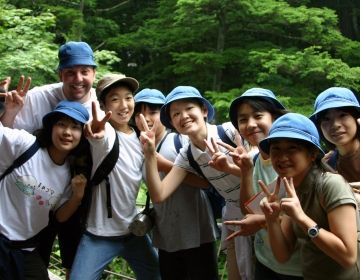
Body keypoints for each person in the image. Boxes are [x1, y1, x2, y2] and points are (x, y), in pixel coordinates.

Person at [0, 41, 100, 278]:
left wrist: (78, 194)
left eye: (84, 71)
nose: (78, 78)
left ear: (94, 73)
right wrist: (10, 111)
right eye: (70, 72)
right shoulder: (27, 138)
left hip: (32, 237)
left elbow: (61, 215)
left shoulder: (101, 107)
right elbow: (6, 139)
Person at [139, 85, 253, 280]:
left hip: (262, 212)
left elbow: (264, 171)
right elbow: (159, 195)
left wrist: (231, 168)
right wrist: (150, 155)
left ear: (204, 111)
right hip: (234, 218)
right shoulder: (187, 154)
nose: (183, 116)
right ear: (173, 123)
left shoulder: (231, 132)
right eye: (176, 114)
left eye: (189, 108)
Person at [69, 74, 161, 280]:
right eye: (115, 99)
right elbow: (98, 136)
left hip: (132, 233)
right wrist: (95, 130)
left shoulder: (140, 138)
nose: (124, 105)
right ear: (103, 105)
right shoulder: (107, 133)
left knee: (155, 275)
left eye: (128, 97)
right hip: (98, 235)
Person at [258, 112, 360, 280]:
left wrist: (301, 218)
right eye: (276, 149)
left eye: (292, 148)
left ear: (312, 154)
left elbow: (348, 257)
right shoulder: (291, 188)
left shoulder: (331, 185)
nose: (282, 157)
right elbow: (282, 255)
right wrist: (271, 219)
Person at [133, 88, 219, 280]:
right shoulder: (140, 147)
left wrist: (163, 164)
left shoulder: (180, 140)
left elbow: (206, 182)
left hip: (196, 232)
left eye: (153, 112)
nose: (146, 119)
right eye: (140, 114)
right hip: (166, 234)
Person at [0, 100, 89, 280]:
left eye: (75, 127)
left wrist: (77, 196)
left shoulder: (68, 174)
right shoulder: (26, 145)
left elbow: (60, 216)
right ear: (50, 127)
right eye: (61, 124)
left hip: (26, 248)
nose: (67, 132)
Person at [222, 88, 303, 279]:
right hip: (265, 260)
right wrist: (245, 172)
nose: (250, 124)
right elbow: (249, 209)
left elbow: (304, 215)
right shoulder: (256, 159)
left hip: (296, 265)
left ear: (275, 118)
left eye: (258, 116)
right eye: (243, 120)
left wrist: (261, 222)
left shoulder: (294, 160)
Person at [309, 87, 360, 183]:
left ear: (356, 118)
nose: (335, 125)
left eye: (342, 115)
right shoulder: (327, 166)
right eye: (326, 119)